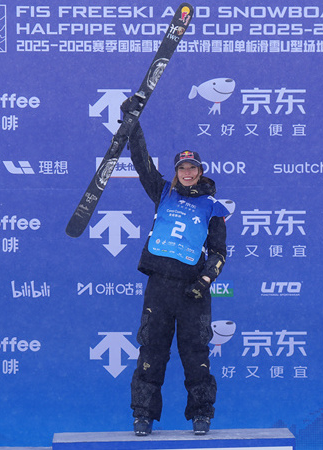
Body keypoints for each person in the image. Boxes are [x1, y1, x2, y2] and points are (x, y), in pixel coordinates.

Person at [123, 100, 229, 437]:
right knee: (151, 352)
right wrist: (132, 123)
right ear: (176, 171)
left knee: (196, 354)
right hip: (159, 286)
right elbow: (142, 163)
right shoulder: (163, 192)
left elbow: (219, 252)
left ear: (200, 171)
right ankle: (143, 415)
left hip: (192, 291)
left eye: (192, 168)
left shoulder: (213, 207)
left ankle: (202, 414)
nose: (187, 172)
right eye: (182, 168)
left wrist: (205, 280)